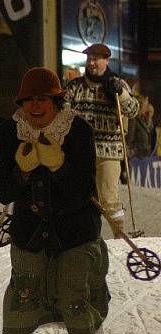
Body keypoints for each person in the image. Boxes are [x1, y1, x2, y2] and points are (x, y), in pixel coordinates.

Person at [0, 67, 110, 334]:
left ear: (57, 101)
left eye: (43, 99)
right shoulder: (12, 131)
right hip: (29, 233)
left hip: (75, 233)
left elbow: (82, 193)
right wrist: (22, 171)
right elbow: (2, 190)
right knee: (21, 302)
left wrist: (58, 166)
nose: (35, 106)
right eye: (29, 99)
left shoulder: (78, 131)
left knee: (75, 301)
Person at [65, 43, 139, 234]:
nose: (91, 63)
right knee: (80, 197)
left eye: (96, 59)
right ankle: (83, 236)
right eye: (89, 58)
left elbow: (132, 110)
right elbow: (61, 114)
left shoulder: (117, 85)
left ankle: (119, 235)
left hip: (108, 150)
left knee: (108, 198)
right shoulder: (75, 87)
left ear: (106, 61)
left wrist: (120, 94)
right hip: (80, 152)